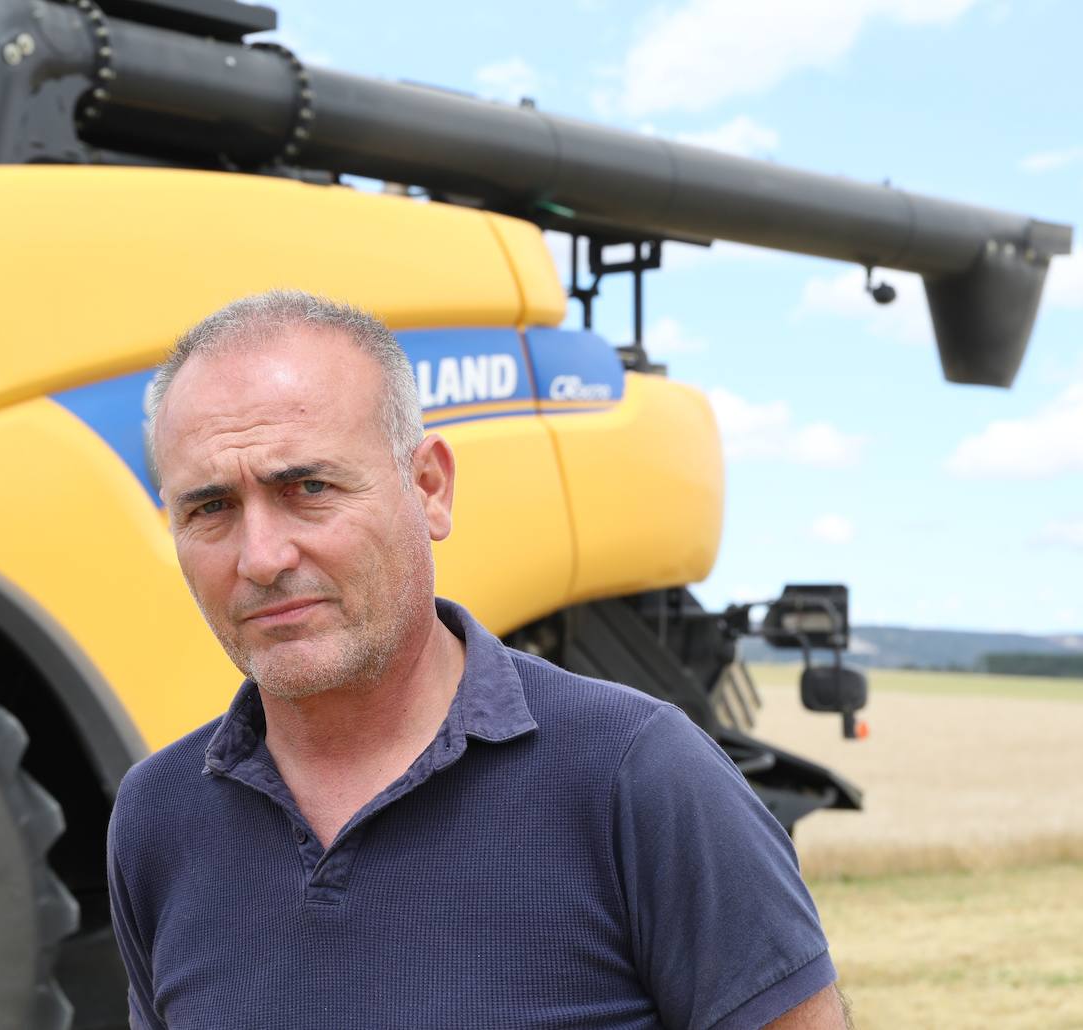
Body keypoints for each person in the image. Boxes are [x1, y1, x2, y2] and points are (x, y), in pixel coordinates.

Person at [108, 289, 849, 1029]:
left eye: (308, 488)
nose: (262, 558)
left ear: (429, 487)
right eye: (210, 509)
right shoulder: (157, 819)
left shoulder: (635, 776)